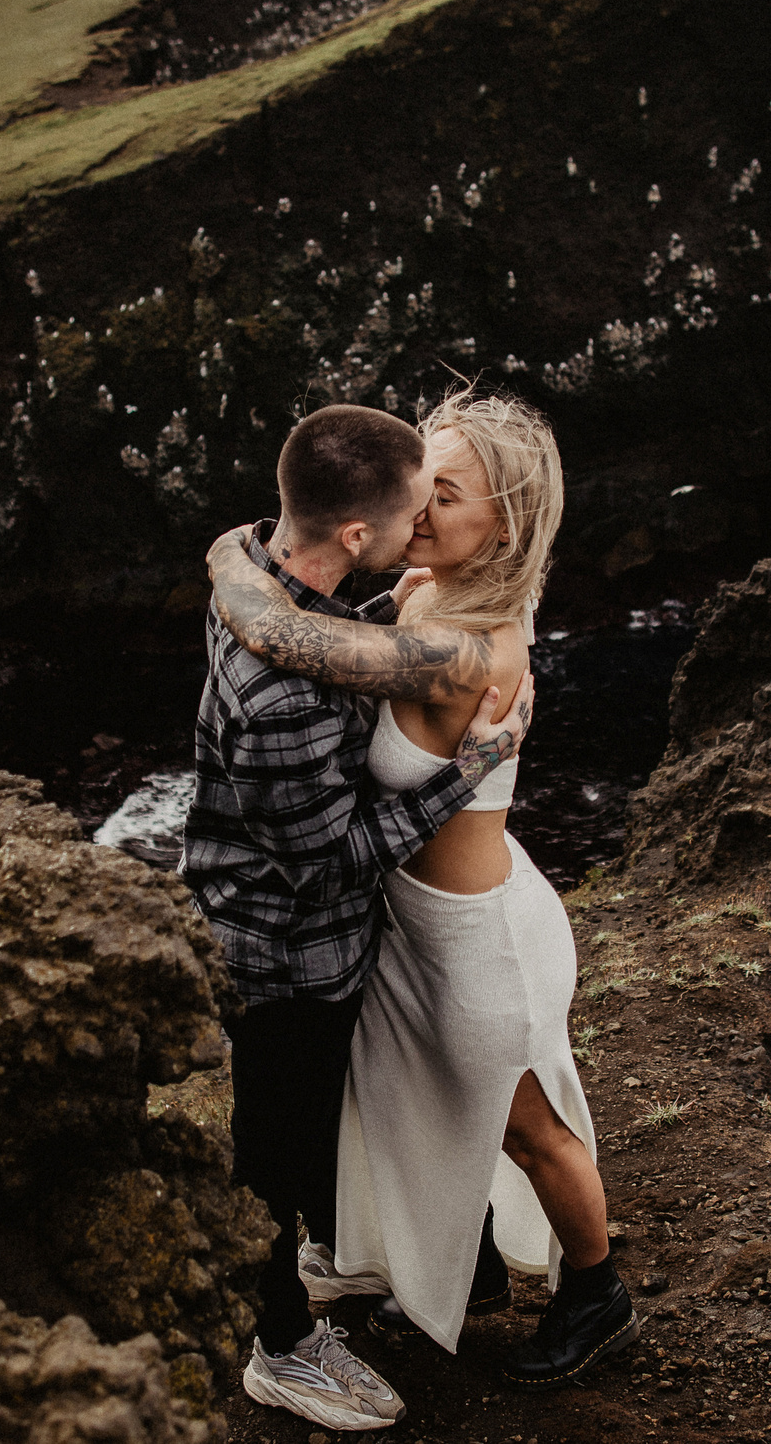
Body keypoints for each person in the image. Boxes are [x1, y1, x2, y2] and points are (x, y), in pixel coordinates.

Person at [203, 385, 638, 1391]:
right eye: (417, 484)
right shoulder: (435, 593)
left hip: (476, 939)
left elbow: (284, 638)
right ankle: (449, 1267)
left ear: (504, 527)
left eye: (443, 494)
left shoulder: (458, 650)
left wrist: (228, 556)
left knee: (529, 1128)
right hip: (417, 919)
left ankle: (596, 1291)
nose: (415, 505)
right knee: (424, 1103)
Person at [183, 401, 537, 1433]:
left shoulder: (265, 570)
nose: (422, 522)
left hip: (313, 936)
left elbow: (336, 636)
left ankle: (344, 1259)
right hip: (283, 953)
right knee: (272, 1148)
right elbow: (329, 862)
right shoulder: (282, 698)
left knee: (315, 1125)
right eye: (413, 507)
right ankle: (281, 1346)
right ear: (353, 531)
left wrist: (404, 604)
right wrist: (470, 769)